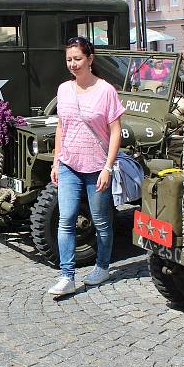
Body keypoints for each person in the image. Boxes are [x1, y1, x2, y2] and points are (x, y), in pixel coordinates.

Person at [48, 36, 124, 296]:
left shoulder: (106, 91)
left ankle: (102, 266)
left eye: (77, 59)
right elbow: (61, 127)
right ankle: (67, 275)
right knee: (66, 218)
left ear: (90, 59)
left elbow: (116, 132)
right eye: (69, 59)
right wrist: (57, 161)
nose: (73, 64)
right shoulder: (63, 89)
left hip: (96, 166)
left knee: (101, 221)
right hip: (69, 163)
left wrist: (108, 167)